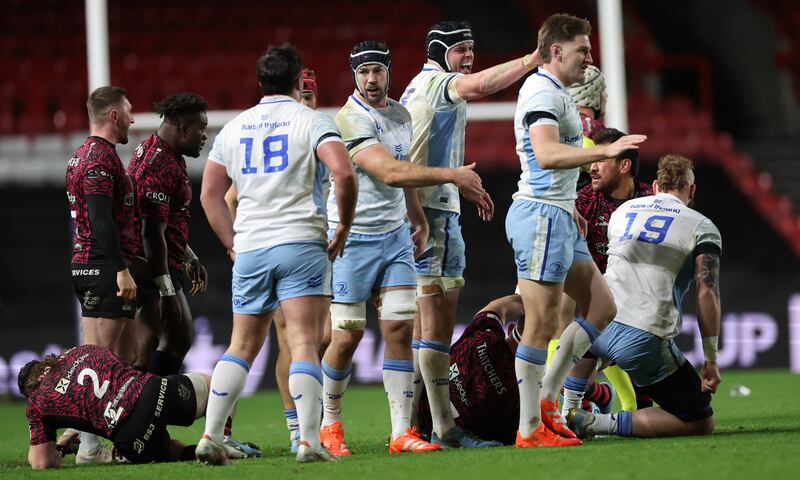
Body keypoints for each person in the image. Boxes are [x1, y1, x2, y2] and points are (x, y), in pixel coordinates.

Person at [319, 40, 492, 456]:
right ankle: (329, 425)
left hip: (394, 237)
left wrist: (414, 217)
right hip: (353, 239)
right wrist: (453, 175)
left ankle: (401, 431)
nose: (371, 79)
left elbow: (406, 173)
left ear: (389, 72)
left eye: (378, 71)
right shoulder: (348, 119)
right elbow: (389, 171)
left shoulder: (399, 113)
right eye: (363, 73)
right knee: (346, 337)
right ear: (354, 75)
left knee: (399, 328)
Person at [197, 43, 357, 464]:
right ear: (296, 77)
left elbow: (210, 194)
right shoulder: (311, 121)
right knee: (304, 343)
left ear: (260, 80)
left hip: (250, 248)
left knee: (241, 346)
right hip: (301, 243)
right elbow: (342, 171)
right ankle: (308, 441)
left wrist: (232, 243)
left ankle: (211, 435)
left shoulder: (234, 128)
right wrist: (342, 224)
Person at [505, 13, 646, 448]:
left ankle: (548, 401)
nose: (589, 57)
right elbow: (546, 154)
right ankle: (530, 427)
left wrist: (571, 205)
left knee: (602, 306)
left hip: (560, 215)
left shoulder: (558, 93)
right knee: (542, 324)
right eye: (583, 49)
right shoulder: (540, 90)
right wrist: (606, 149)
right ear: (556, 51)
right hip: (541, 215)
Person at [399, 20, 540, 449]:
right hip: (429, 211)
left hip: (433, 206)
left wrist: (460, 184)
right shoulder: (438, 83)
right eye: (460, 49)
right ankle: (441, 428)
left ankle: (418, 424)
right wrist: (532, 60)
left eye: (471, 48)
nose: (468, 56)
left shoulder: (424, 86)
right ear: (439, 51)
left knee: (429, 324)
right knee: (434, 324)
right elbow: (479, 85)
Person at [566, 154, 722, 438]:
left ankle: (566, 414)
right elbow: (706, 291)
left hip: (595, 320)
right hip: (641, 335)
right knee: (700, 420)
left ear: (654, 185)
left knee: (589, 343)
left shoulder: (621, 213)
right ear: (692, 191)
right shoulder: (701, 225)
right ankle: (594, 423)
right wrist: (710, 359)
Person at [222, 66, 328, 455]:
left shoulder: (316, 127)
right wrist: (236, 244)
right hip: (295, 246)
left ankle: (311, 426)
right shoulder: (302, 132)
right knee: (297, 341)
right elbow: (229, 197)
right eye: (304, 93)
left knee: (316, 339)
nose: (308, 100)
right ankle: (300, 429)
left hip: (310, 245)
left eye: (313, 95)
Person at [18, 344, 250, 468]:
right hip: (153, 391)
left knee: (167, 450)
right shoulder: (81, 350)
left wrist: (60, 447)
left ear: (30, 390)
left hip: (131, 437)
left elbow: (41, 463)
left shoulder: (37, 402)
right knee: (216, 385)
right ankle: (222, 439)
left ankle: (191, 452)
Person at [65, 85, 139, 463]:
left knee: (105, 356)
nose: (132, 118)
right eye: (128, 112)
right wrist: (122, 271)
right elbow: (100, 219)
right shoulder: (100, 158)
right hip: (104, 267)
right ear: (113, 116)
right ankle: (90, 448)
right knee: (102, 361)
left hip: (87, 264)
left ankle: (83, 434)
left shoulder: (81, 155)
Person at [556, 127, 653, 415]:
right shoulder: (584, 202)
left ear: (624, 166)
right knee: (562, 347)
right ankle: (586, 398)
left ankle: (630, 404)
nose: (592, 167)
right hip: (596, 306)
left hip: (639, 304)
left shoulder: (650, 203)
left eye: (602, 159)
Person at [127, 93, 210, 376]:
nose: (204, 136)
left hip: (152, 263)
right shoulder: (159, 163)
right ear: (184, 128)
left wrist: (188, 254)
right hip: (150, 266)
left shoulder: (157, 151)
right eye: (201, 129)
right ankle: (150, 416)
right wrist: (166, 290)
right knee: (178, 337)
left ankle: (135, 416)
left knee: (146, 353)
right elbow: (150, 231)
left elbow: (164, 220)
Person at [416, 295, 523, 446]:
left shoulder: (485, 335)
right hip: (432, 432)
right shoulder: (522, 399)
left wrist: (531, 297)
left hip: (416, 422)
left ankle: (403, 429)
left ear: (511, 329)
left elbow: (499, 306)